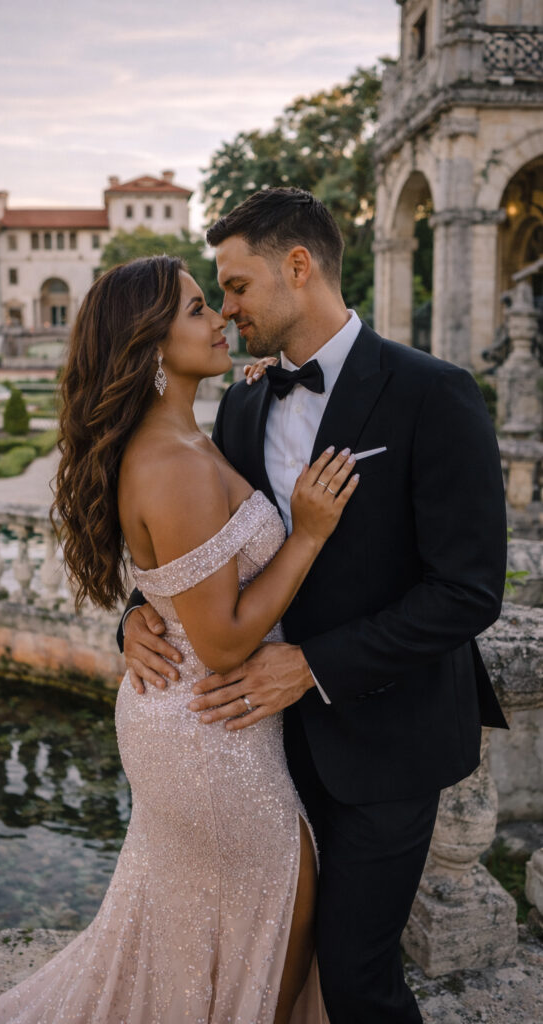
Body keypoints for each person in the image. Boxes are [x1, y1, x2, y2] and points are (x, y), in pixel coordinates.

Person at [0, 253, 361, 1024]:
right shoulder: (173, 465)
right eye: (197, 309)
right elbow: (221, 642)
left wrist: (135, 613)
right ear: (149, 345)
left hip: (202, 715)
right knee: (283, 907)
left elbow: (176, 580)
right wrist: (308, 533)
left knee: (218, 923)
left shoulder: (188, 441)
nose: (219, 316)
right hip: (207, 723)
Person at [120, 187, 509, 1024]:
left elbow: (468, 589)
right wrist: (137, 611)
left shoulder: (435, 394)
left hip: (388, 739)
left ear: (297, 268)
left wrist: (313, 666)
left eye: (234, 286)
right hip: (261, 751)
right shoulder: (243, 401)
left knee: (357, 977)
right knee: (273, 962)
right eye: (215, 295)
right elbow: (202, 544)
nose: (225, 311)